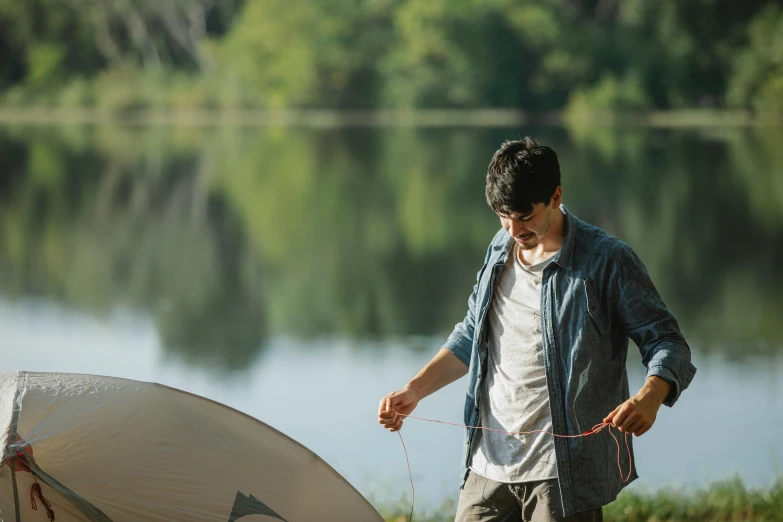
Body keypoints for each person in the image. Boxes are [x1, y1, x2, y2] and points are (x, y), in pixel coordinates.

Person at [378, 137, 696, 522]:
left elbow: (667, 342)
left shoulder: (607, 261)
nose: (514, 229)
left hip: (561, 476)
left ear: (556, 196)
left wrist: (651, 396)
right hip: (487, 466)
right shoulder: (499, 249)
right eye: (502, 215)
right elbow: (472, 334)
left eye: (525, 216)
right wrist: (415, 389)